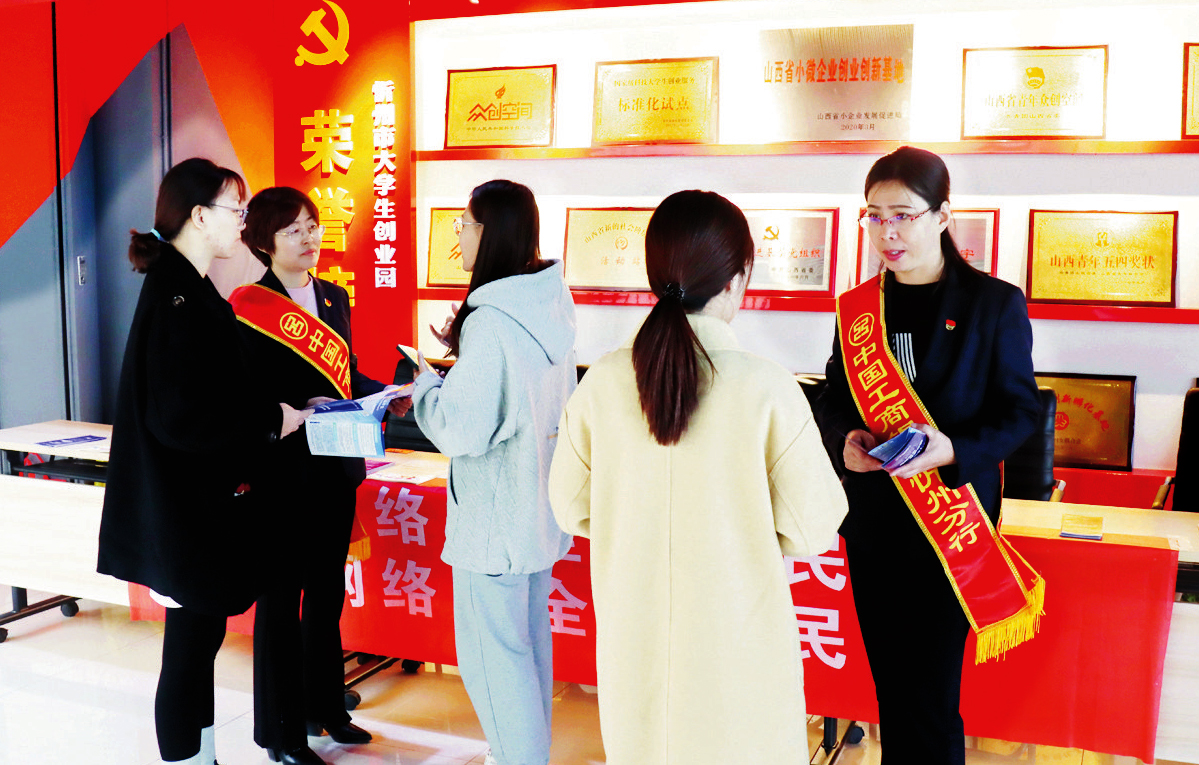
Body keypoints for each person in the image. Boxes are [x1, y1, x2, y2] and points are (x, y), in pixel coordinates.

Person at [547, 190, 849, 765]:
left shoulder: (603, 382)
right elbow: (815, 527)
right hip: (738, 658)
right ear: (737, 279)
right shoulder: (766, 387)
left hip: (634, 649)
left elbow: (569, 507)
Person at [814, 146, 1044, 765]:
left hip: (950, 526)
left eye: (903, 216)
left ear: (943, 216)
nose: (886, 232)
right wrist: (845, 441)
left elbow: (1021, 411)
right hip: (875, 527)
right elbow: (833, 395)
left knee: (932, 697)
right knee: (893, 692)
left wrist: (954, 450)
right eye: (874, 216)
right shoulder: (857, 309)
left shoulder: (993, 304)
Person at [97, 158, 309, 765]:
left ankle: (203, 754)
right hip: (183, 508)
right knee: (190, 648)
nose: (242, 221)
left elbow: (211, 393)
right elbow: (183, 417)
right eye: (235, 210)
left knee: (201, 637)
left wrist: (277, 410)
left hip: (196, 505)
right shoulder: (176, 296)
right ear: (198, 215)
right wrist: (271, 421)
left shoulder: (188, 287)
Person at [232, 186, 409, 765]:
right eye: (294, 230)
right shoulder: (249, 307)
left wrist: (385, 393)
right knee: (282, 604)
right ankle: (282, 734)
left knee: (327, 597)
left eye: (312, 225)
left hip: (335, 470)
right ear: (265, 242)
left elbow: (346, 376)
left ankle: (326, 709)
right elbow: (247, 395)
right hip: (283, 477)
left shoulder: (333, 296)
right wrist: (294, 407)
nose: (309, 237)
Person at [412, 179, 576, 765]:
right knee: (526, 652)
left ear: (490, 231)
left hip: (492, 524)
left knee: (494, 665)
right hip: (536, 512)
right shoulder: (548, 300)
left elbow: (461, 430)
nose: (458, 235)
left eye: (464, 224)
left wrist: (427, 386)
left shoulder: (491, 319)